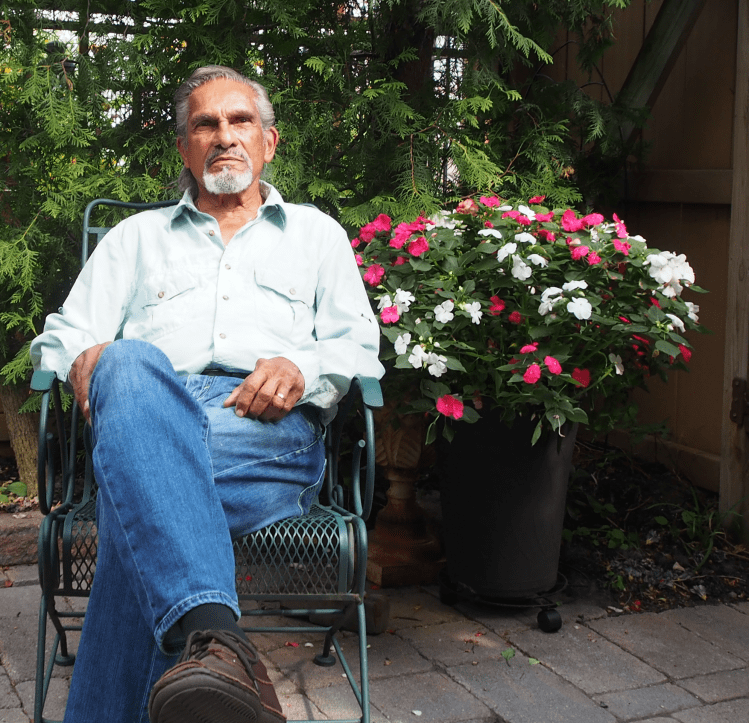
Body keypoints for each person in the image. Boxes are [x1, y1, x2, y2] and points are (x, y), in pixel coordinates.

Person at [30, 65, 384, 723]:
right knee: (127, 362)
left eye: (240, 120)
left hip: (263, 424)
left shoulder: (316, 236)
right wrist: (85, 361)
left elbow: (359, 345)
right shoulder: (136, 239)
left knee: (134, 505)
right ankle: (218, 643)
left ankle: (213, 647)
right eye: (205, 124)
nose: (224, 135)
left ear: (268, 142)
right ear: (184, 149)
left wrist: (302, 368)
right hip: (149, 408)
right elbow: (63, 336)